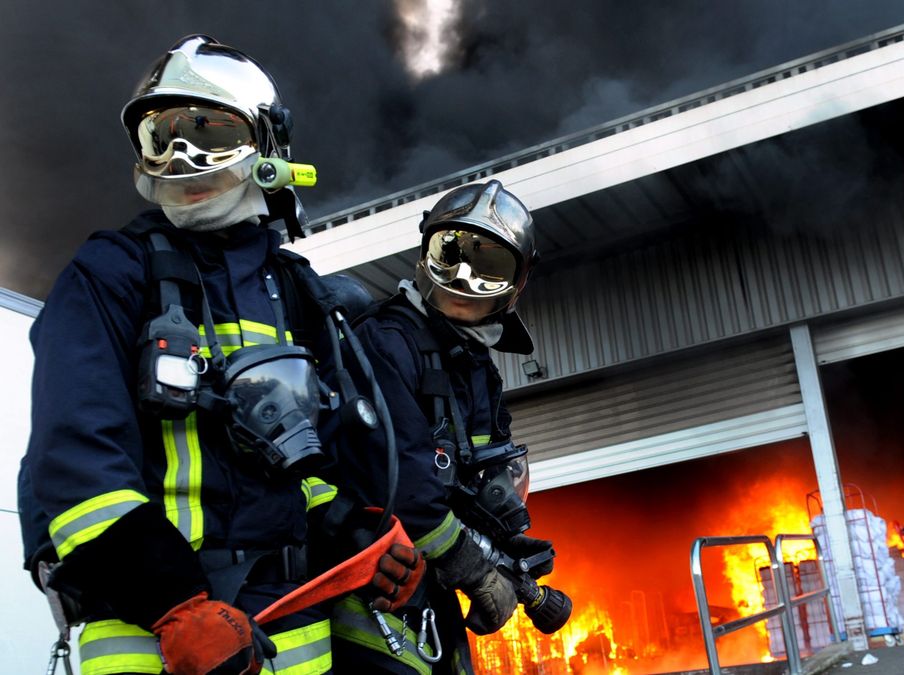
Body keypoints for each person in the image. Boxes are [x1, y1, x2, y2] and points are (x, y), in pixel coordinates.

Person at [17, 34, 421, 675]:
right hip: (156, 642)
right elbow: (77, 464)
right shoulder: (109, 274)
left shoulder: (293, 290)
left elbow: (298, 463)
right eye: (163, 136)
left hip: (294, 632)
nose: (183, 157)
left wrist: (353, 531)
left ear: (268, 146)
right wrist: (175, 605)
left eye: (209, 132)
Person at [328, 180, 566, 674]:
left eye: (490, 266)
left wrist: (503, 546)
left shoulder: (476, 365)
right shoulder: (385, 342)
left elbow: (476, 479)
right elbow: (404, 485)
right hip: (374, 593)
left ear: (517, 283)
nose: (464, 276)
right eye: (451, 253)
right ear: (424, 253)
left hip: (429, 592)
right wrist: (476, 570)